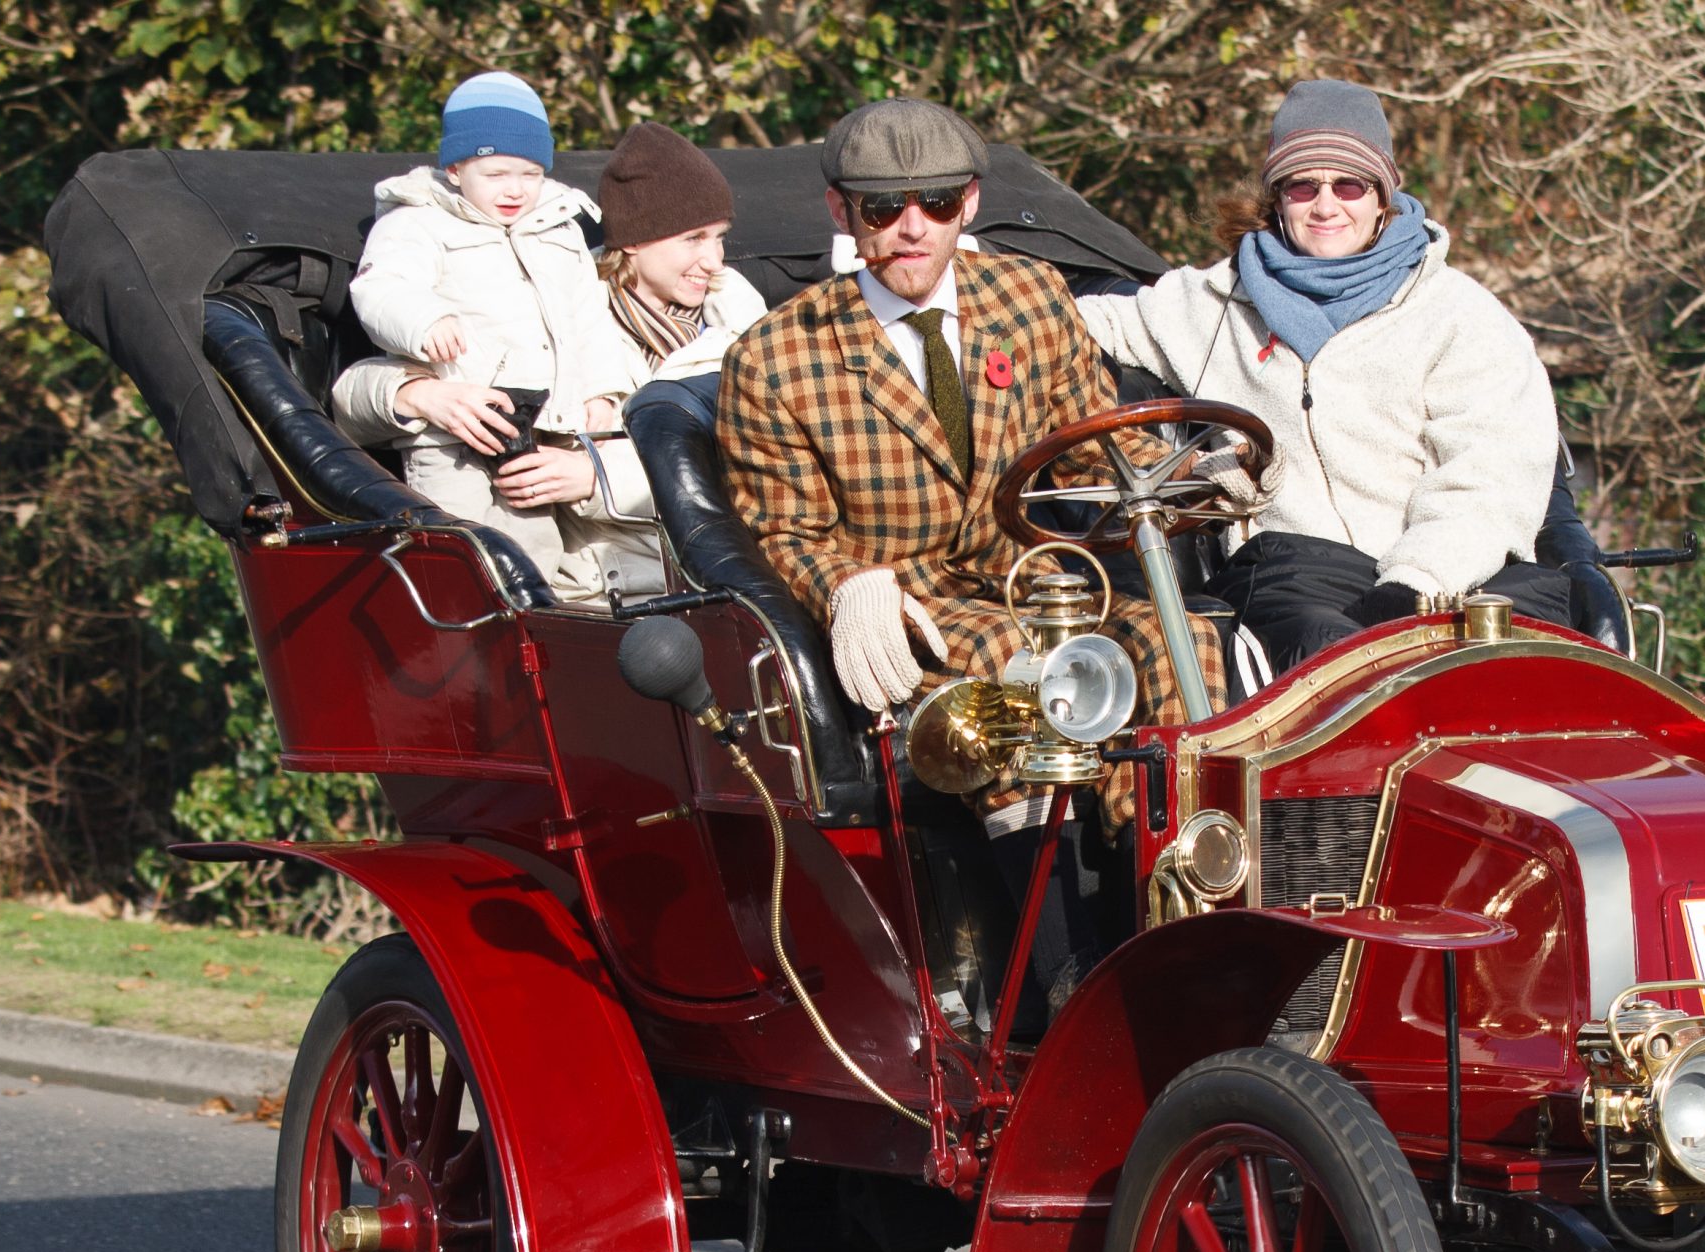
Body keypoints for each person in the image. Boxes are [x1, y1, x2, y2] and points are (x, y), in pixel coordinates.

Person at [714, 97, 1225, 1016]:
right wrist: (847, 589)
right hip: (908, 609)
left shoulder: (1026, 297)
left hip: (1037, 583)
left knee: (1183, 643)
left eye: (938, 203)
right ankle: (1066, 985)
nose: (913, 228)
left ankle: (1192, 920)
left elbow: (1091, 446)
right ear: (841, 214)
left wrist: (1192, 479)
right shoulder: (777, 357)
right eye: (882, 209)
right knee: (1014, 675)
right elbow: (783, 527)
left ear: (970, 203)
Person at [1076, 78, 1565, 672]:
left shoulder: (1462, 316)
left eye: (1349, 185)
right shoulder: (1210, 302)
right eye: (1304, 185)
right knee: (1330, 661)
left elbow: (1491, 479)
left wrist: (1414, 584)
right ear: (1278, 197)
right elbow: (1082, 320)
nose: (1326, 205)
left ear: (1382, 195)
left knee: (1529, 653)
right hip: (1294, 570)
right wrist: (960, 277)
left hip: (1448, 572)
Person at [338, 120, 767, 603]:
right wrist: (418, 394)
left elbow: (756, 466)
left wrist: (594, 477)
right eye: (694, 239)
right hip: (603, 593)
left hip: (733, 584)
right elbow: (350, 399)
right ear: (635, 240)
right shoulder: (557, 312)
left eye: (719, 237)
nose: (714, 260)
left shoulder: (750, 328)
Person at [346, 72, 632, 597]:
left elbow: (587, 319)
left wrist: (602, 390)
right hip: (456, 432)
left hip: (545, 424)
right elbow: (382, 287)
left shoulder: (559, 226)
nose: (516, 189)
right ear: (455, 169)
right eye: (496, 172)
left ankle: (535, 642)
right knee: (468, 554)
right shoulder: (417, 222)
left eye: (530, 172)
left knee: (538, 555)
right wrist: (425, 321)